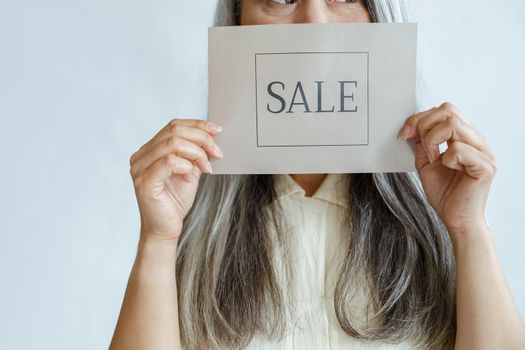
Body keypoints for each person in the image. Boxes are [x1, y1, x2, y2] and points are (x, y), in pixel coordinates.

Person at [109, 1, 525, 349]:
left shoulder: (441, 221)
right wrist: (157, 240)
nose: (314, 21)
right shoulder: (188, 226)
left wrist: (470, 230)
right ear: (237, 23)